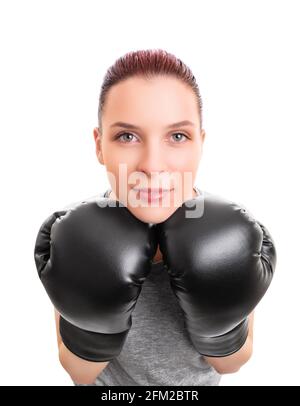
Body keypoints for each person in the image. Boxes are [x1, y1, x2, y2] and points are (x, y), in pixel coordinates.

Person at [34, 49, 275, 386]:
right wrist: (93, 327)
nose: (152, 164)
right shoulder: (77, 235)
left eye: (177, 136)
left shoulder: (229, 233)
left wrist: (219, 327)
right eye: (127, 136)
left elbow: (230, 364)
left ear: (199, 144)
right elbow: (79, 373)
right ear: (100, 145)